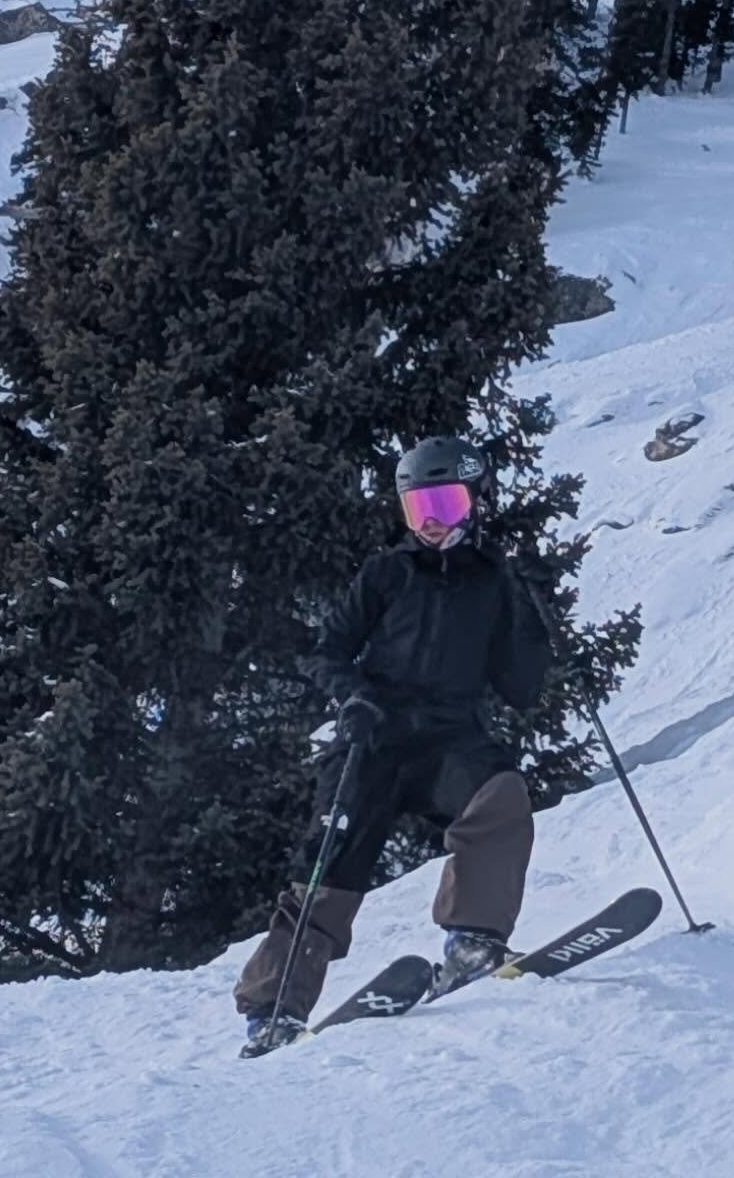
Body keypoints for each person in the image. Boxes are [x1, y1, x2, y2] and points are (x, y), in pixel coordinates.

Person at [234, 436, 552, 1054]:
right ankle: (273, 1009)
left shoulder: (495, 583)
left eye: (447, 505)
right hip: (373, 737)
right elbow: (324, 649)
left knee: (500, 794)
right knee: (329, 867)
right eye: (418, 510)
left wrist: (529, 608)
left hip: (449, 739)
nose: (432, 523)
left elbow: (521, 687)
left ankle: (473, 943)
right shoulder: (386, 574)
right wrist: (352, 697)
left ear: (478, 502)